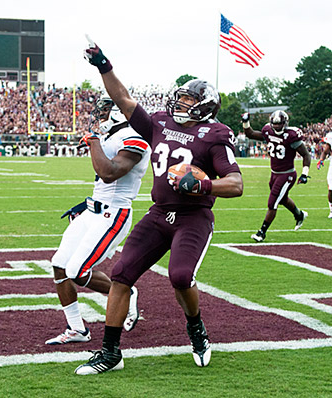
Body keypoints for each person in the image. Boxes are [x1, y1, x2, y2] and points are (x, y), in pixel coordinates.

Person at [75, 37, 243, 375]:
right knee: (122, 274)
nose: (180, 103)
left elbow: (236, 184)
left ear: (205, 106)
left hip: (192, 217)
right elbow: (122, 99)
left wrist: (203, 184)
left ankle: (195, 328)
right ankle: (110, 353)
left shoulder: (215, 134)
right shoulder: (160, 122)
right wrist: (103, 64)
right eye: (179, 97)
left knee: (181, 276)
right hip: (157, 215)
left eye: (188, 99)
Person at [46, 96, 151, 345]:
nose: (99, 116)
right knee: (59, 265)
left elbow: (109, 173)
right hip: (93, 211)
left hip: (113, 214)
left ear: (119, 113)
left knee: (77, 271)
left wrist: (93, 143)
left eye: (104, 111)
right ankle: (77, 329)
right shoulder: (110, 137)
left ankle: (127, 291)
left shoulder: (134, 138)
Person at [241, 111, 311, 242]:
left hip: (287, 175)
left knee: (272, 203)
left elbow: (306, 155)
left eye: (279, 124)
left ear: (285, 123)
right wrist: (245, 121)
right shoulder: (268, 131)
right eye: (275, 124)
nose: (277, 127)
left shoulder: (291, 136)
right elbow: (250, 134)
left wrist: (305, 174)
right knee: (282, 199)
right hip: (274, 174)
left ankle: (262, 232)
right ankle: (299, 215)